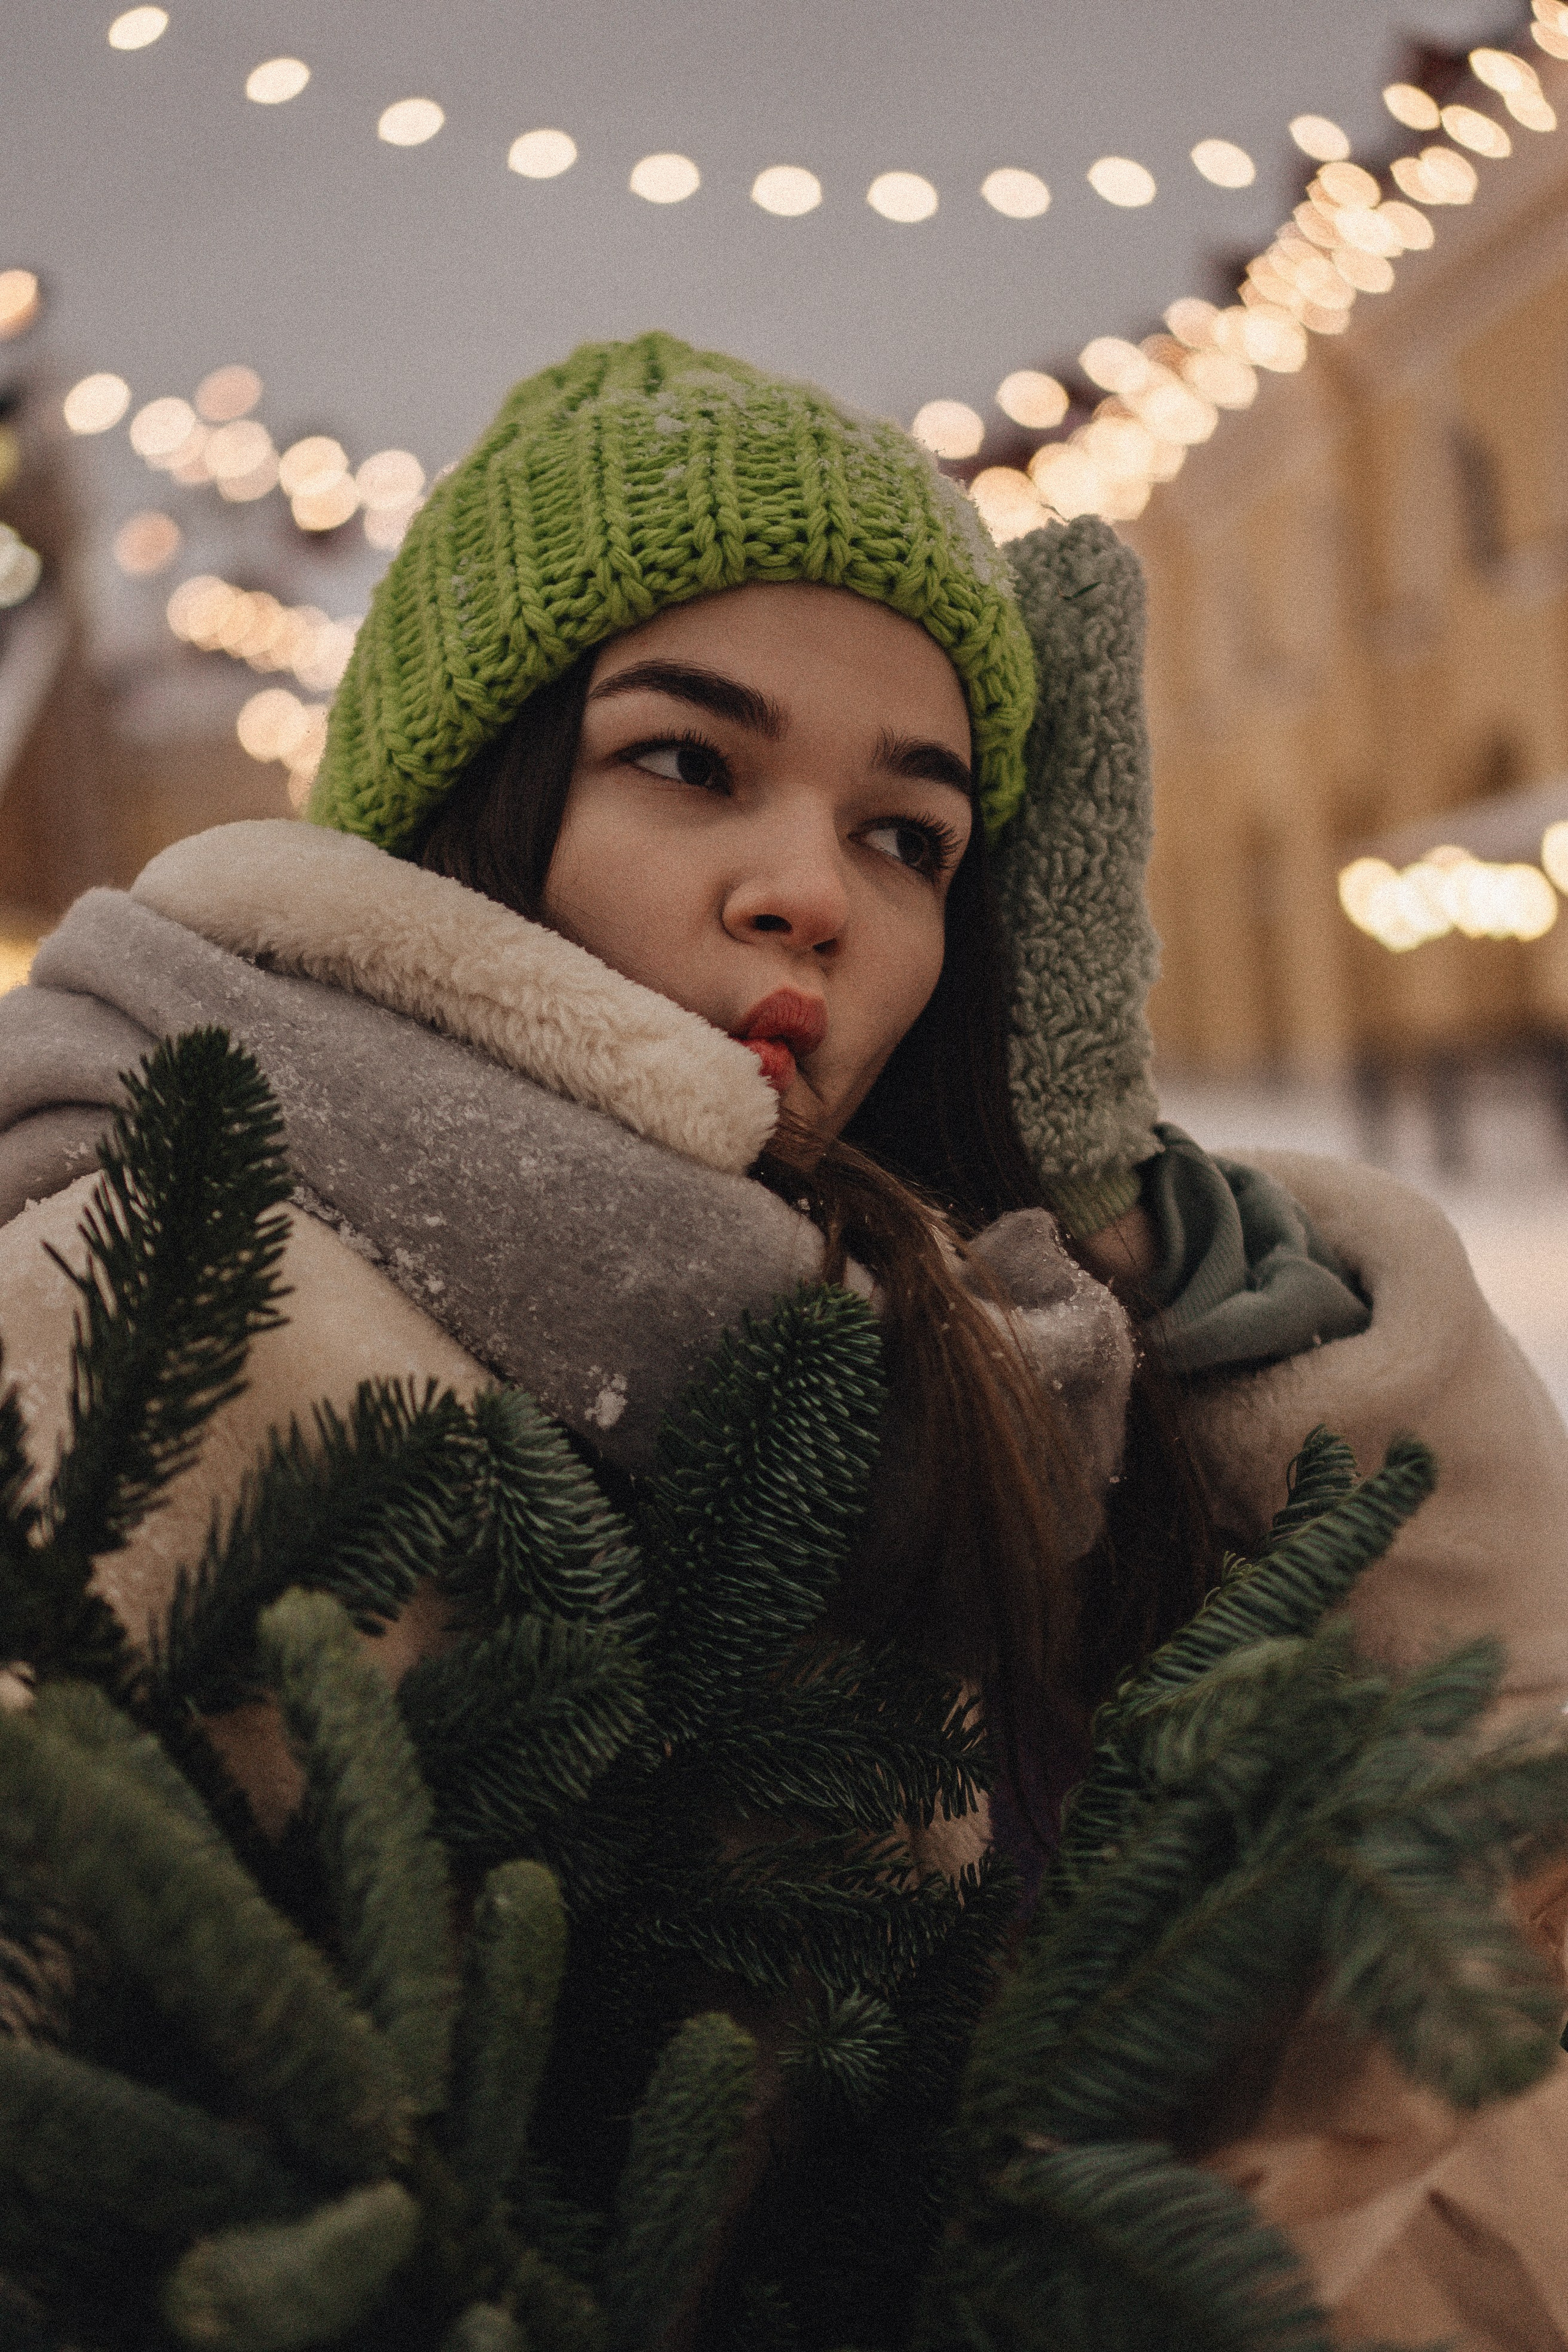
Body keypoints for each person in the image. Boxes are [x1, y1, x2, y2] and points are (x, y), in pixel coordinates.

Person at [3, 333, 1568, 2342]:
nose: (810, 896)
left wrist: (1112, 1211)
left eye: (907, 837)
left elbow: (1488, 1885)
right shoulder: (177, 1300)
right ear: (470, 796)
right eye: (691, 761)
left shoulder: (970, 1356)